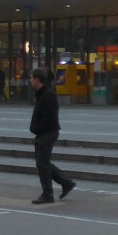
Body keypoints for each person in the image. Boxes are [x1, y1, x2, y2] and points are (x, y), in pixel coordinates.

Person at [28, 68, 75, 204]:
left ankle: (48, 194)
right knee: (43, 162)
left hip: (48, 132)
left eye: (32, 78)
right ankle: (66, 183)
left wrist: (37, 128)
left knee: (42, 162)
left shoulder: (48, 95)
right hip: (43, 132)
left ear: (38, 79)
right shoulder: (42, 93)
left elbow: (49, 118)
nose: (31, 81)